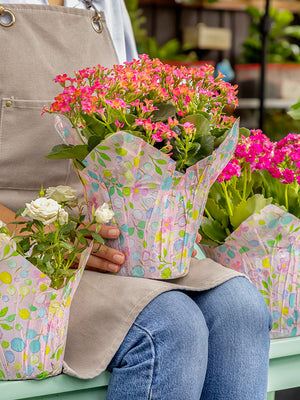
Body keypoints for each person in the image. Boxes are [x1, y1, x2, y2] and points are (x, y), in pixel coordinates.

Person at [0, 1, 272, 399]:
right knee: (170, 326)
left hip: (100, 238)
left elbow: (130, 133)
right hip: (20, 255)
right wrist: (36, 236)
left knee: (240, 309)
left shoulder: (103, 5)